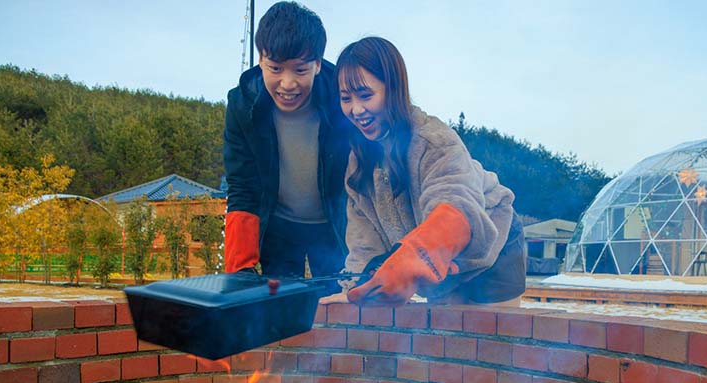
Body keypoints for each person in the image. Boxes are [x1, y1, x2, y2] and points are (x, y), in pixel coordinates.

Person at [330, 36, 526, 306]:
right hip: (435, 261)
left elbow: (455, 210)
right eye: (345, 98)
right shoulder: (359, 160)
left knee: (487, 341)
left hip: (492, 247)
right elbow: (365, 242)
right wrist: (355, 290)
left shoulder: (432, 141)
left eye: (366, 95)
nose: (356, 109)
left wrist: (410, 260)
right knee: (441, 338)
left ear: (393, 89)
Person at [222, 1, 350, 292]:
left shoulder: (341, 97)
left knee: (339, 305)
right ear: (260, 59)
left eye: (300, 69)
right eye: (275, 68)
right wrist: (239, 268)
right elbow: (242, 186)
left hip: (335, 226)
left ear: (318, 64)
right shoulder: (242, 105)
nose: (287, 84)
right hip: (278, 227)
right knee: (278, 311)